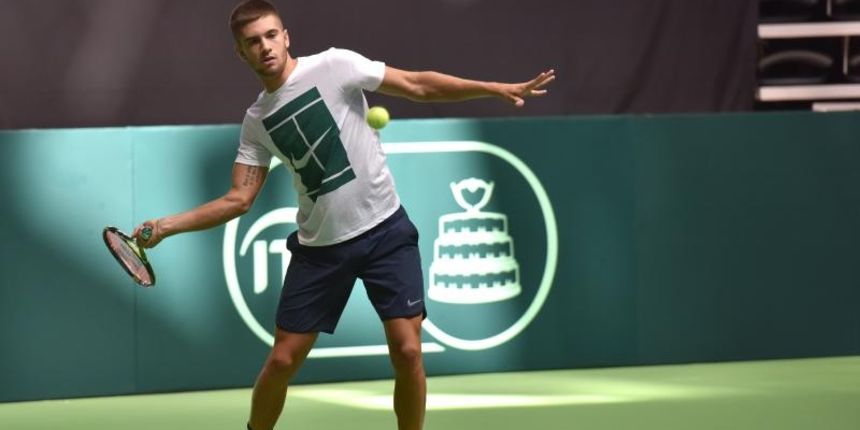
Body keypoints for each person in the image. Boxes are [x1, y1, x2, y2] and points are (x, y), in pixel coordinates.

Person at [132, 1, 555, 429]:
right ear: (241, 53)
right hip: (320, 252)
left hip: (386, 232)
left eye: (271, 35)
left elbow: (416, 84)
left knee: (408, 350)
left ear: (286, 36)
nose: (265, 47)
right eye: (253, 42)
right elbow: (238, 200)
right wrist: (166, 227)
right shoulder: (256, 122)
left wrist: (493, 88)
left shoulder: (336, 65)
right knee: (282, 361)